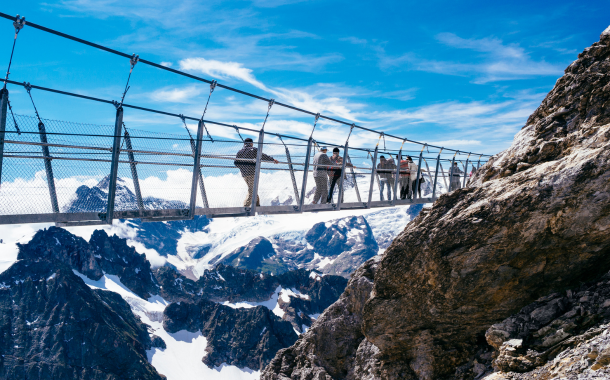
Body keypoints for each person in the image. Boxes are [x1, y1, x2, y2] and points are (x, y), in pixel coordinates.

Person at [234, 138, 278, 207]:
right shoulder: (254, 150)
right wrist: (272, 159)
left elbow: (236, 163)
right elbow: (263, 156)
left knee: (252, 188)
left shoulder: (240, 152)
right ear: (251, 143)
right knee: (252, 190)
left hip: (244, 174)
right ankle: (245, 207)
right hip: (253, 173)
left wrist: (243, 167)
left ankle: (257, 206)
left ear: (244, 144)